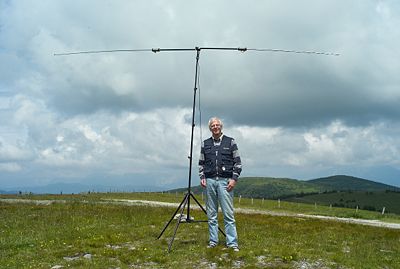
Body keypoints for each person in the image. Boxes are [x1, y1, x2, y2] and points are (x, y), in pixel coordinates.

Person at [199, 117, 242, 251]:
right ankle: (213, 241)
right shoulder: (205, 144)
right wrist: (202, 177)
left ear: (221, 127)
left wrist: (234, 179)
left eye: (217, 125)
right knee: (211, 214)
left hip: (225, 182)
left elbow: (238, 163)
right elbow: (201, 163)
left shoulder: (230, 141)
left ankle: (232, 243)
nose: (215, 127)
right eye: (213, 125)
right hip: (210, 182)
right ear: (210, 128)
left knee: (228, 214)